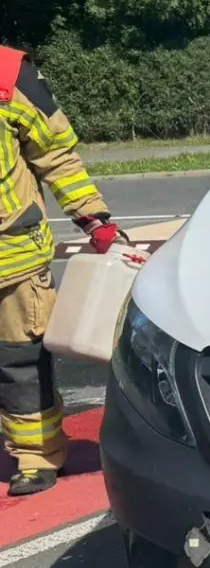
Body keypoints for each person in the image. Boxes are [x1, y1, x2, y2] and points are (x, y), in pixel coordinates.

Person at [0, 46, 122, 496]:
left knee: (22, 363)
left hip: (11, 258)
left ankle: (36, 455)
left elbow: (56, 156)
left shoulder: (9, 75)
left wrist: (92, 216)